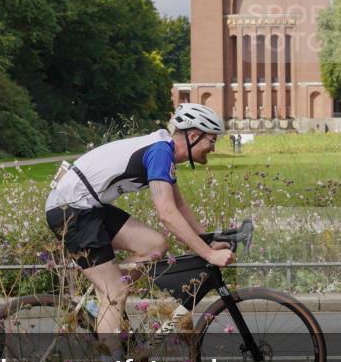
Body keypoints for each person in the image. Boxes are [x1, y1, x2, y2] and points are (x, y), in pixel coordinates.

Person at [45, 103, 236, 339]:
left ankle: (104, 300)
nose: (213, 148)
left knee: (154, 245)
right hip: (70, 210)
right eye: (212, 140)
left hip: (88, 207)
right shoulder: (160, 152)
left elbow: (179, 206)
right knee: (115, 291)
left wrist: (207, 240)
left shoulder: (164, 152)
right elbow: (167, 214)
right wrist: (208, 254)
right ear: (194, 136)